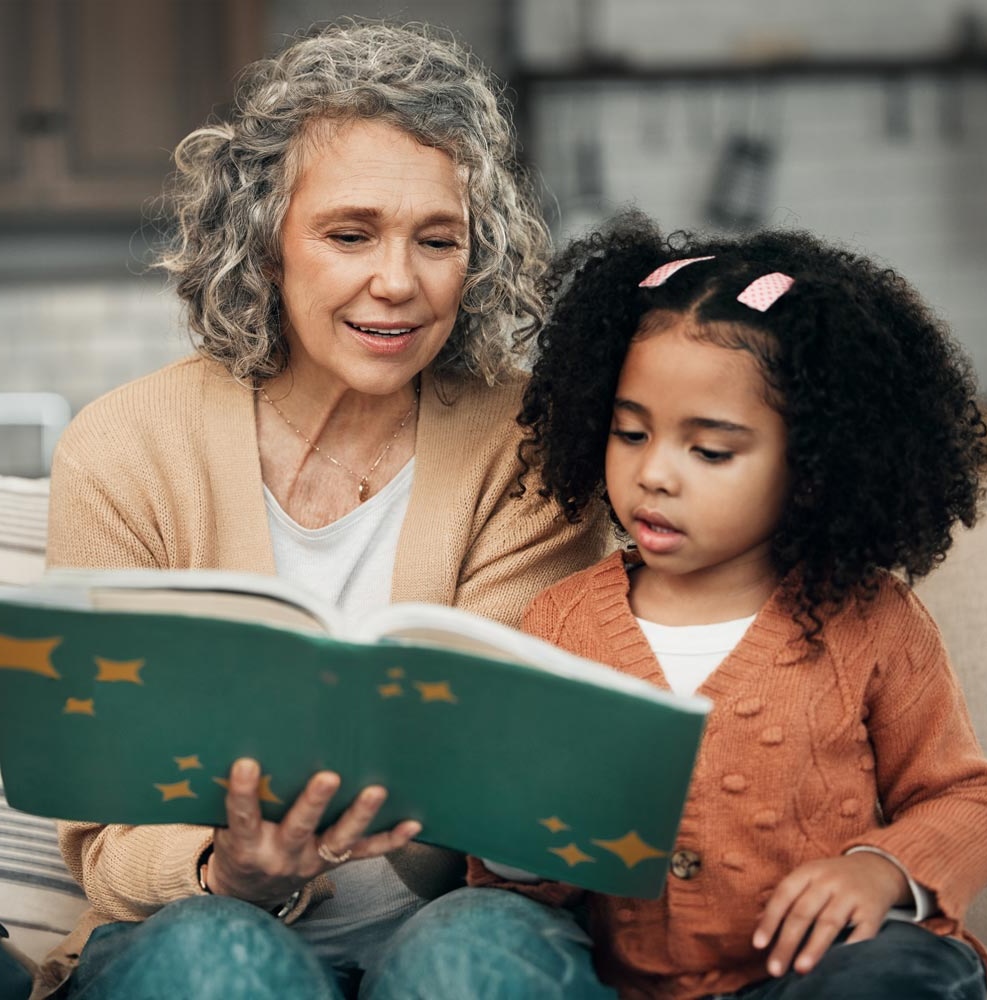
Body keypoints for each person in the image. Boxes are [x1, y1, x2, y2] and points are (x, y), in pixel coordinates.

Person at [36, 19, 610, 1000]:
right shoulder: (125, 448)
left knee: (472, 959)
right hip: (199, 928)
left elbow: (498, 760)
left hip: (446, 917)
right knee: (216, 953)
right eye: (350, 234)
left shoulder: (530, 441)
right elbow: (101, 828)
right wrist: (226, 868)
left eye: (438, 240)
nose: (398, 281)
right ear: (264, 246)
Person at [364, 211, 987, 1000]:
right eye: (631, 434)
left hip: (814, 978)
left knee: (903, 972)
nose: (656, 474)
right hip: (618, 982)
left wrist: (880, 872)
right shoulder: (561, 624)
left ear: (812, 466)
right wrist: (515, 842)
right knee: (459, 944)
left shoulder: (871, 620)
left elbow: (968, 799)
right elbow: (533, 893)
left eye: (710, 450)